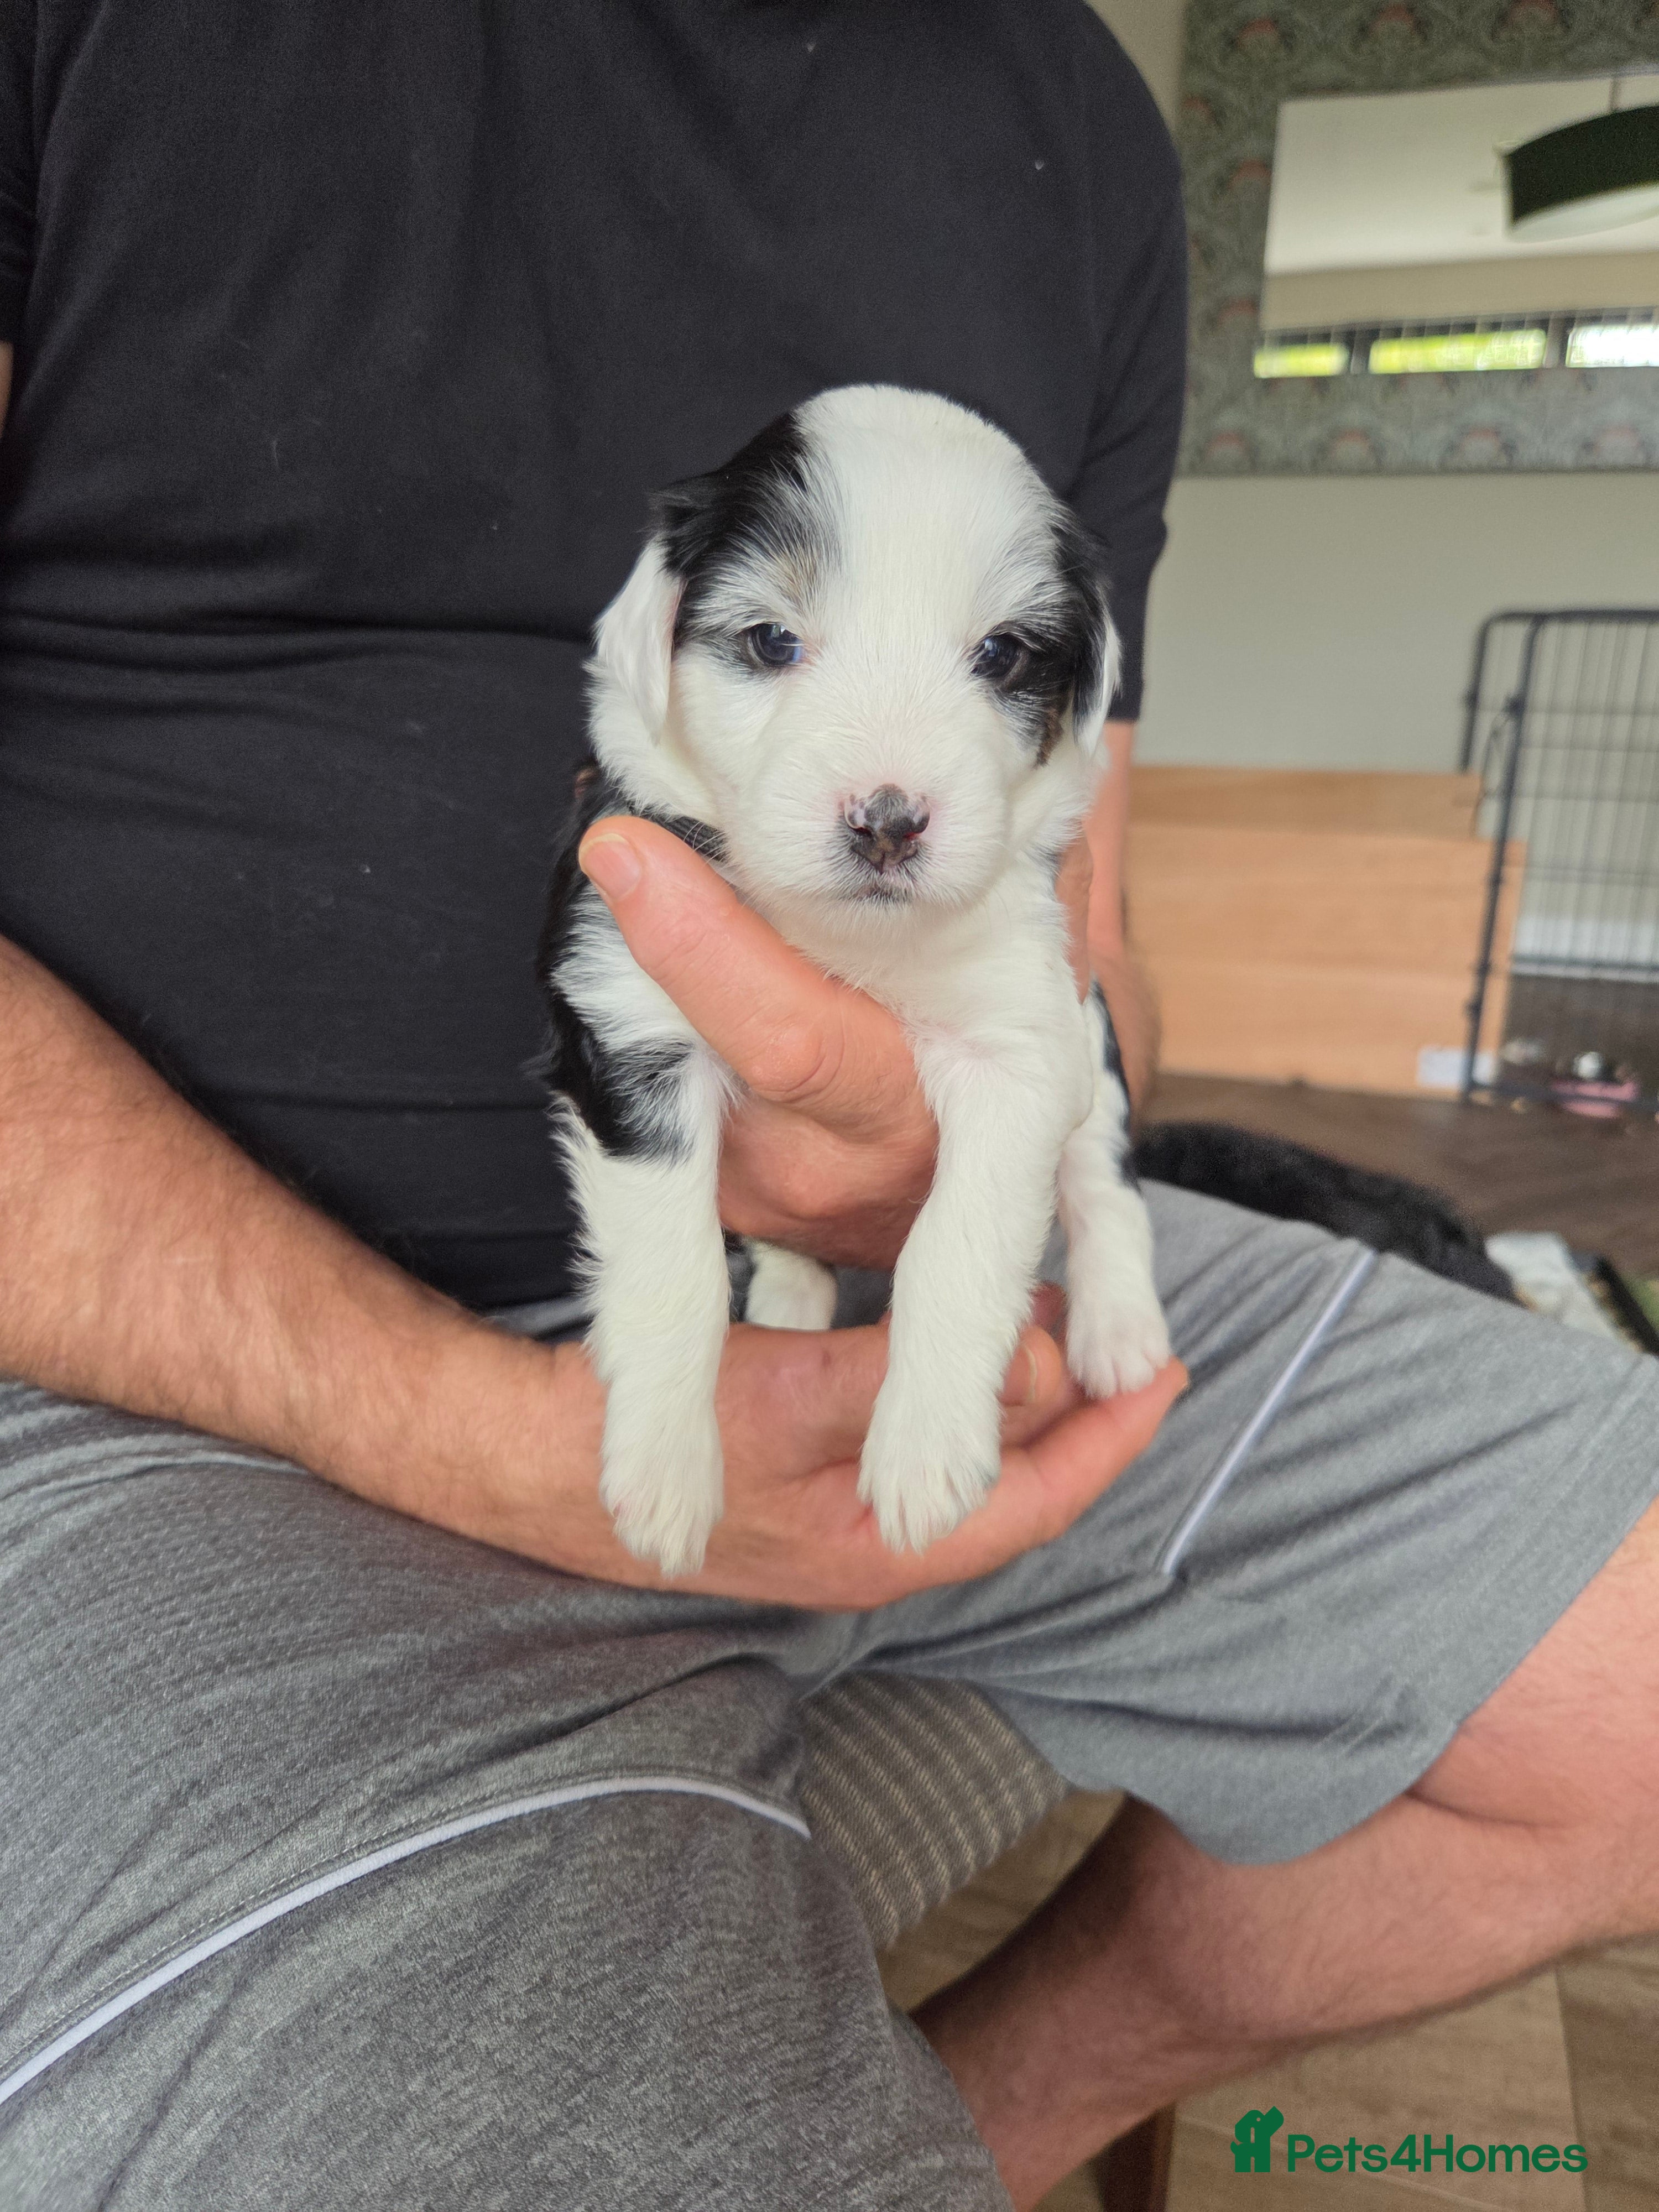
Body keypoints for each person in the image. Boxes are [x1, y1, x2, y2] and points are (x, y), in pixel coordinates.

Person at [0, 4, 1655, 2208]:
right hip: (143, 1371)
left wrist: (970, 1171)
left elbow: (1084, 912)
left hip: (907, 1302)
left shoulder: (1075, 122)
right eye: (766, 644)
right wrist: (490, 1434)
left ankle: (1001, 2123)